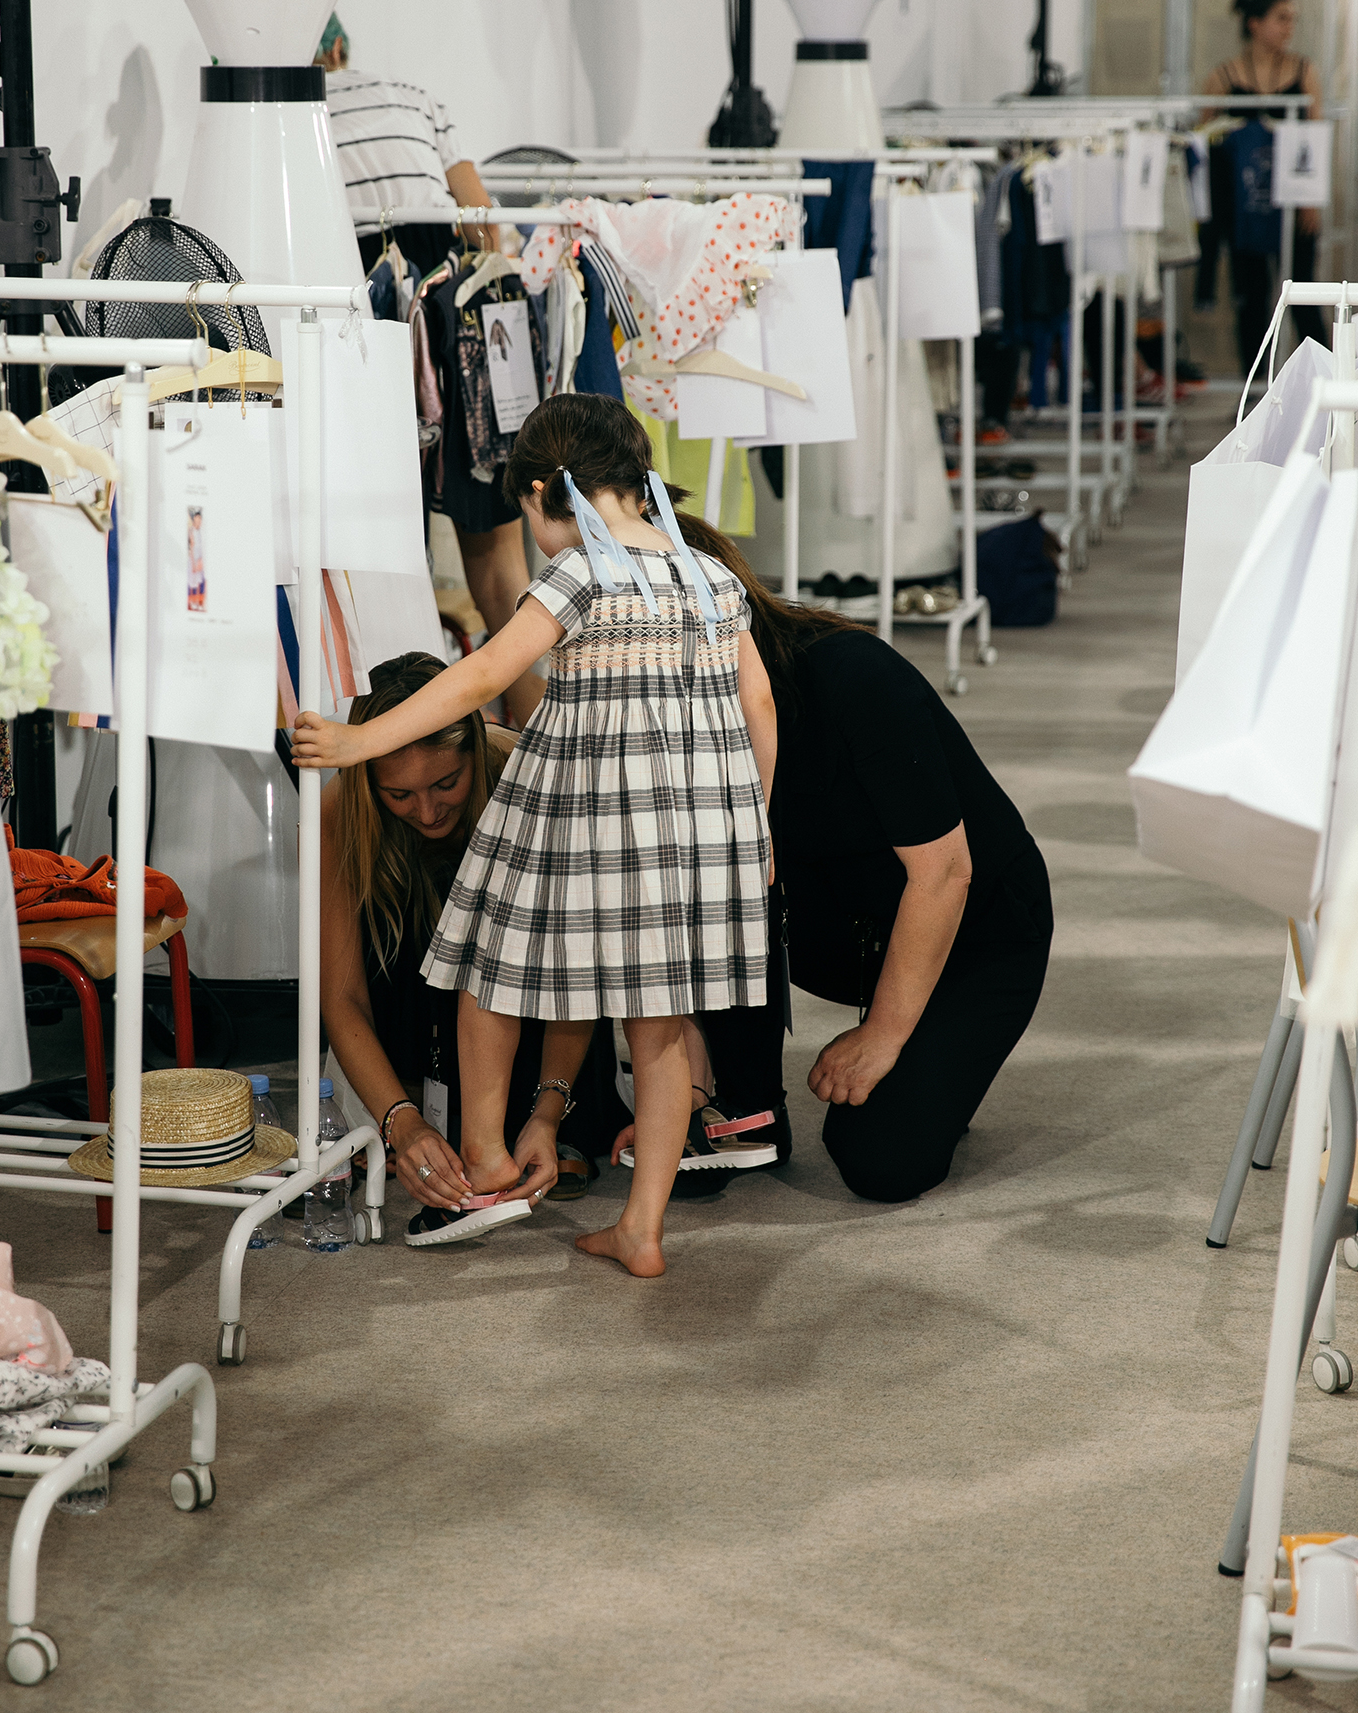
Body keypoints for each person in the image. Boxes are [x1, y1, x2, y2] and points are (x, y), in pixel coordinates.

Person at [294, 394, 777, 1277]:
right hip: (705, 828)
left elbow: (484, 672)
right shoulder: (713, 577)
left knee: (490, 968)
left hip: (589, 809)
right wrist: (757, 827)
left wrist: (362, 739)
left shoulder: (580, 574)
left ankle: (484, 1158)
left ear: (548, 492)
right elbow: (759, 706)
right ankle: (643, 1227)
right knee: (660, 1029)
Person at [673, 517, 1053, 1205]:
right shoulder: (669, 712)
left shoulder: (853, 674)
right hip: (838, 922)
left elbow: (945, 874)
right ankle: (748, 1109)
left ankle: (927, 1045)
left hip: (977, 925)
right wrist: (692, 1079)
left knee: (880, 1160)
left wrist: (883, 1034)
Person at [315, 651, 617, 1243]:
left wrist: (549, 1113)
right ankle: (419, 1114)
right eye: (398, 796)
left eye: (446, 783)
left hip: (542, 1012)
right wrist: (401, 1125)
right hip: (412, 1027)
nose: (427, 811)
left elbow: (578, 970)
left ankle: (549, 1115)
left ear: (476, 752)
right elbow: (342, 998)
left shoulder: (534, 774)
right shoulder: (338, 811)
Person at [317, 12, 542, 724]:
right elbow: (480, 217)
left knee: (388, 538)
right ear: (344, 47)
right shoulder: (415, 95)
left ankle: (404, 735)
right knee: (497, 547)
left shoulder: (294, 111)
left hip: (356, 286)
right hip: (449, 291)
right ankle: (537, 736)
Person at [1199, 0, 1324, 366]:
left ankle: (1322, 381)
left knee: (1305, 292)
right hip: (1246, 206)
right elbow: (1204, 141)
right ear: (1255, 24)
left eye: (1292, 19)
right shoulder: (1223, 77)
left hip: (1293, 200)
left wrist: (1310, 201)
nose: (1289, 27)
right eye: (1281, 18)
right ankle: (1255, 388)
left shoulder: (1304, 72)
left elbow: (1314, 140)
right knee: (1252, 296)